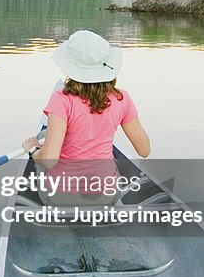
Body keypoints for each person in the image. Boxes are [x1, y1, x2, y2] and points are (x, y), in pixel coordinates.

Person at [22, 30, 150, 204]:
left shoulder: (61, 100)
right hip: (106, 197)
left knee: (41, 143)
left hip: (59, 198)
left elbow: (50, 161)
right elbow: (144, 150)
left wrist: (33, 150)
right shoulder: (122, 98)